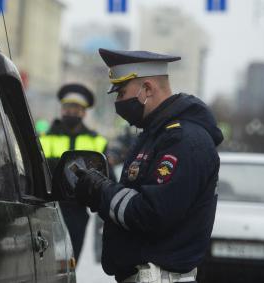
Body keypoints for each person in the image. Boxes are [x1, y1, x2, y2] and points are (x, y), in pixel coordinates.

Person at [74, 48, 224, 283]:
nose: (118, 102)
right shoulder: (156, 135)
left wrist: (101, 190)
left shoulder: (182, 141)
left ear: (148, 89)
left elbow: (152, 214)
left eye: (122, 92)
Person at [39, 83, 110, 262]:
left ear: (84, 112)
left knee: (71, 261)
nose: (71, 112)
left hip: (78, 211)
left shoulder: (97, 142)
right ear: (62, 109)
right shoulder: (44, 139)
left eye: (76, 108)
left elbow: (107, 178)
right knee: (47, 261)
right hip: (47, 208)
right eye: (67, 107)